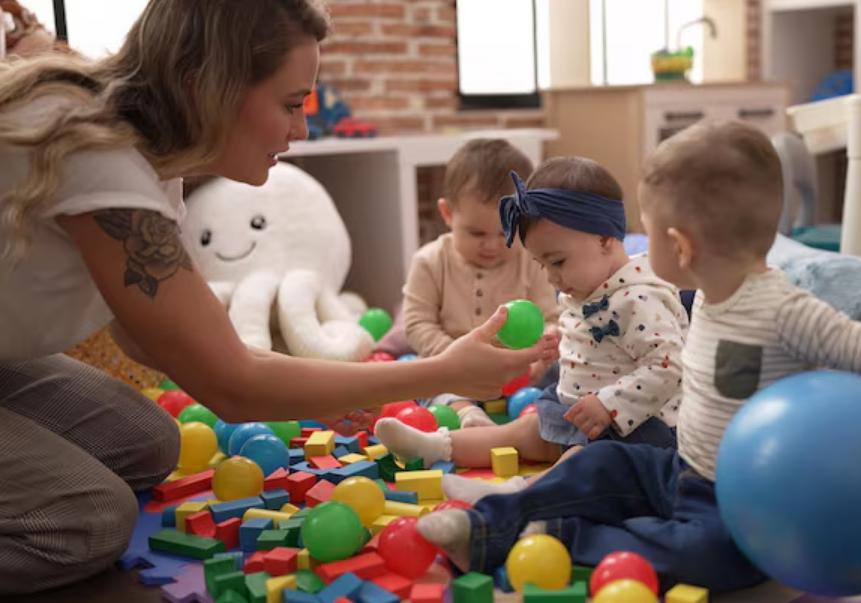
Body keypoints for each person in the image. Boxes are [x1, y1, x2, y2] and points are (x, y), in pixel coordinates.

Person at [0, 0, 555, 594]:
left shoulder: (153, 160)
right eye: (291, 104)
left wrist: (317, 387)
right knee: (90, 520)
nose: (302, 129)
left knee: (148, 444)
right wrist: (441, 372)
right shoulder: (99, 156)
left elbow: (156, 339)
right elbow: (231, 384)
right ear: (206, 87)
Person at [412, 121, 861, 592]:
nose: (634, 245)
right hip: (680, 467)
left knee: (709, 555)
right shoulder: (707, 297)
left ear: (680, 246)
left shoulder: (781, 309)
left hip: (741, 501)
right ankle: (486, 525)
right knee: (598, 463)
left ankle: (560, 538)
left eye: (646, 233)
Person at [375, 156, 687, 503]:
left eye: (557, 262)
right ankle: (433, 447)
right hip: (580, 414)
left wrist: (609, 404)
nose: (552, 278)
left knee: (583, 461)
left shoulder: (640, 299)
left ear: (604, 240)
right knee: (525, 429)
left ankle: (515, 497)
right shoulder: (589, 285)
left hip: (635, 430)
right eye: (542, 265)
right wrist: (555, 342)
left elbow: (669, 366)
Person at [402, 138, 560, 428]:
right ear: (448, 214)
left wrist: (543, 351)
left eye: (505, 233)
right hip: (453, 368)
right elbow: (417, 324)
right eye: (476, 233)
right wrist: (454, 357)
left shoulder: (531, 260)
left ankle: (546, 417)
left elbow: (551, 318)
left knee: (566, 371)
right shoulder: (429, 261)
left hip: (519, 372)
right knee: (423, 379)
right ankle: (467, 414)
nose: (492, 245)